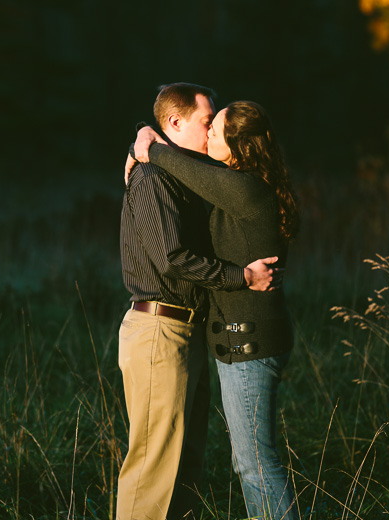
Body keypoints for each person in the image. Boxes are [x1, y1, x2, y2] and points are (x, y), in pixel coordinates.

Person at [127, 100, 300, 519]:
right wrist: (139, 149)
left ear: (238, 148)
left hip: (249, 346)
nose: (207, 137)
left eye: (215, 131)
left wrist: (147, 142)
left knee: (255, 465)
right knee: (252, 462)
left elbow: (180, 166)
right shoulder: (238, 183)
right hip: (242, 342)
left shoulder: (246, 188)